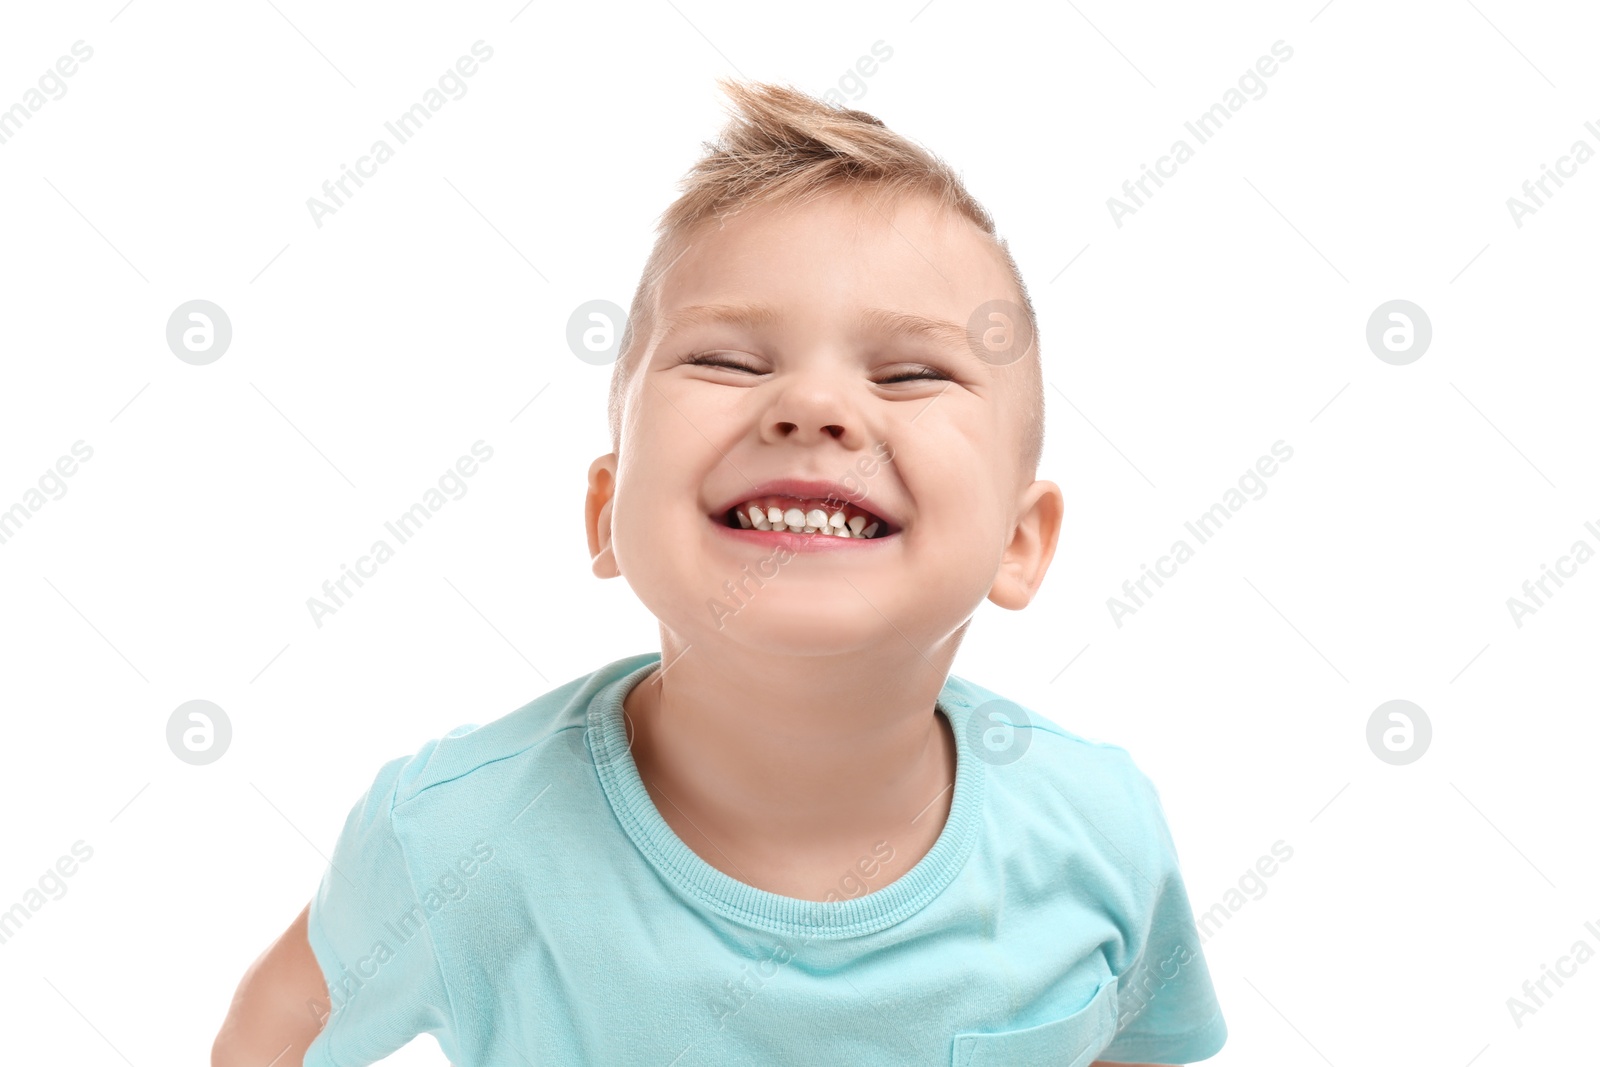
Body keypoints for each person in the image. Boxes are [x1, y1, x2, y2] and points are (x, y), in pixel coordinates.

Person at [213, 78, 1226, 1066]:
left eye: (910, 373)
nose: (815, 403)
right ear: (607, 512)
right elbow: (271, 1036)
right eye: (730, 361)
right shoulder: (457, 835)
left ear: (1020, 541)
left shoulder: (1098, 829)